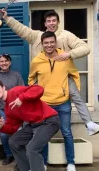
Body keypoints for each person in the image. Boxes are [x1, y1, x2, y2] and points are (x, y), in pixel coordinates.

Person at [0, 9, 99, 136]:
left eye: (54, 21)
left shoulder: (66, 35)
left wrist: (69, 54)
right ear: (45, 23)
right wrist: (7, 18)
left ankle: (89, 124)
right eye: (49, 21)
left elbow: (85, 48)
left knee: (76, 96)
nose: (51, 23)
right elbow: (22, 30)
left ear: (58, 22)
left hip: (61, 76)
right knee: (33, 106)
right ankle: (28, 133)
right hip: (43, 78)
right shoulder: (37, 36)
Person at [29, 31, 80, 171]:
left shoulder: (65, 57)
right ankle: (43, 163)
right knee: (43, 135)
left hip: (63, 102)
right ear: (42, 44)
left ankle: (71, 163)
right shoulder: (36, 61)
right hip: (45, 104)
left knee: (67, 132)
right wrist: (35, 96)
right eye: (46, 43)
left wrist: (73, 93)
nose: (49, 45)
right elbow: (31, 79)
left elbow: (75, 75)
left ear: (55, 42)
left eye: (52, 42)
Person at [0, 80, 60, 171]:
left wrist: (22, 98)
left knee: (32, 149)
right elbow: (13, 128)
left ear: (3, 88)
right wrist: (1, 127)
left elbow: (39, 89)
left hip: (49, 121)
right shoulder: (8, 108)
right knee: (14, 141)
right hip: (33, 124)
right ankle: (27, 168)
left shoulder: (15, 91)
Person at [0, 54, 24, 168]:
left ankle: (20, 159)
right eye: (1, 61)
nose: (3, 63)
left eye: (6, 61)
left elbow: (22, 91)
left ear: (9, 62)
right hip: (2, 110)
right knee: (4, 135)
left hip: (16, 110)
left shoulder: (16, 75)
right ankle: (9, 155)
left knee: (18, 135)